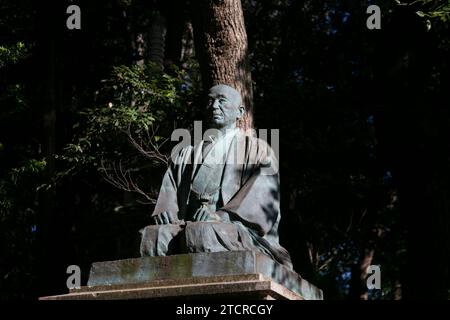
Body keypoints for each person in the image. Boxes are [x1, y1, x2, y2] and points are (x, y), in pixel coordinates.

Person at [139, 84, 293, 269]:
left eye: (222, 101)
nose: (214, 106)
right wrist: (166, 211)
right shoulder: (187, 152)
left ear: (240, 111)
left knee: (202, 234)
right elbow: (170, 188)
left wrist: (222, 216)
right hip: (186, 224)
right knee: (151, 237)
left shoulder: (258, 150)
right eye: (210, 101)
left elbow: (262, 197)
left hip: (235, 228)